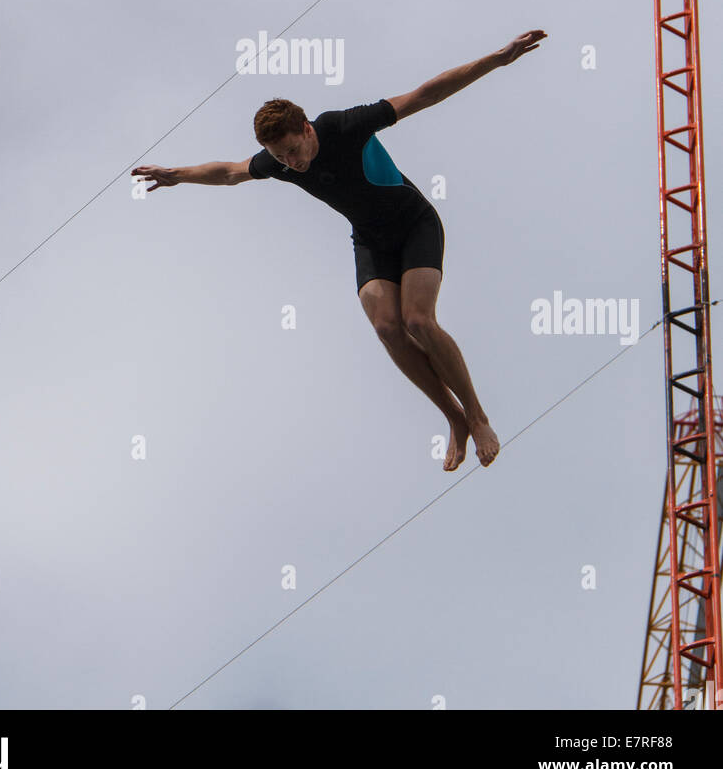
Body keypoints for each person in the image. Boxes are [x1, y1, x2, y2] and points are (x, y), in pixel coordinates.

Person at [132, 30, 546, 471]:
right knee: (388, 327)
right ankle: (455, 419)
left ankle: (478, 417)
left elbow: (425, 94)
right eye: (280, 157)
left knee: (418, 320)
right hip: (370, 239)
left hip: (414, 224)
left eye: (292, 150)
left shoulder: (344, 126)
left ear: (307, 129)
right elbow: (231, 172)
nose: (290, 162)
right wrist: (178, 174)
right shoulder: (277, 160)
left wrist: (496, 60)